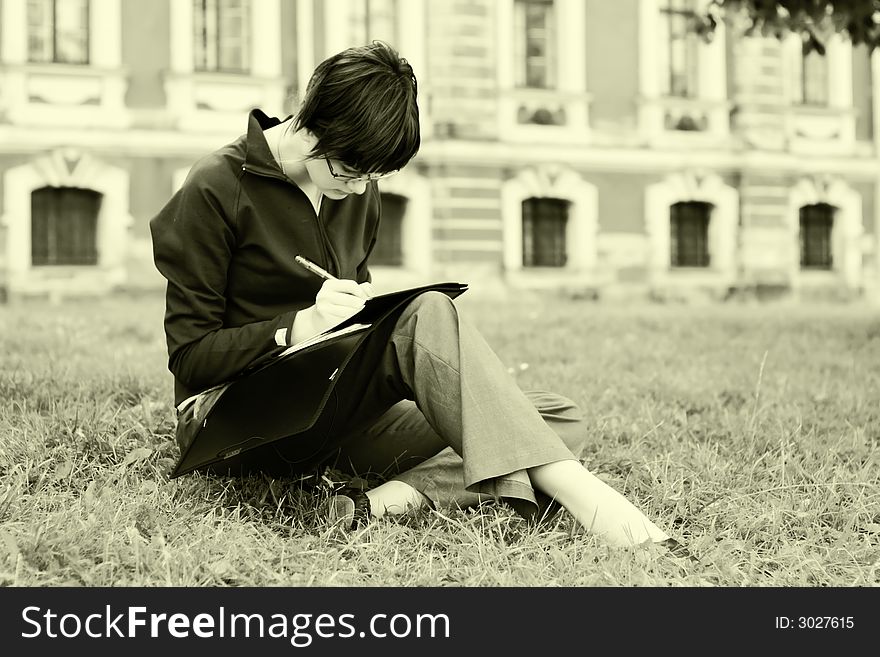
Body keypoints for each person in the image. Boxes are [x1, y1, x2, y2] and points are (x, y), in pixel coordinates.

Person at [150, 41, 691, 557]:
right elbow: (191, 360)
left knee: (550, 415)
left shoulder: (357, 192)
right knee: (434, 321)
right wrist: (295, 328)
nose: (361, 189)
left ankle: (373, 507)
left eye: (374, 176)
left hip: (328, 413)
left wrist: (358, 320)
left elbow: (353, 305)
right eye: (353, 172)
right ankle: (585, 496)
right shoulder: (214, 187)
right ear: (315, 125)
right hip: (233, 428)